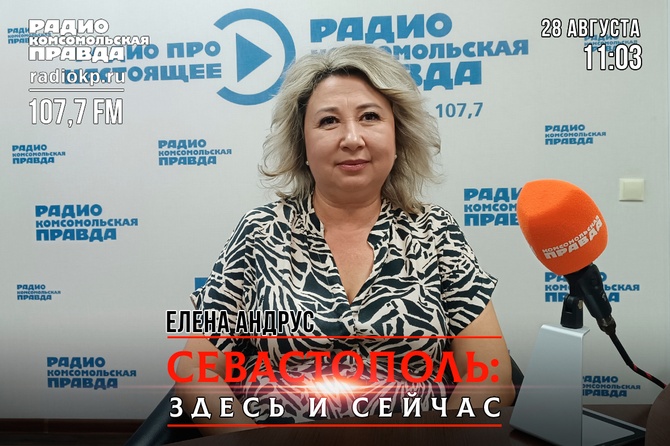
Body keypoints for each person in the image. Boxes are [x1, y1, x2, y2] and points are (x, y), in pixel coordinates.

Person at [176, 44, 515, 434]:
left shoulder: (436, 231)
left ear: (398, 135)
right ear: (302, 143)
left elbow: (491, 375)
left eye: (370, 117)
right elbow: (195, 372)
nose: (352, 138)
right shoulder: (259, 232)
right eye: (329, 121)